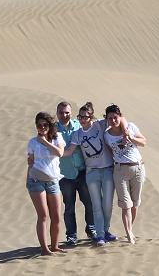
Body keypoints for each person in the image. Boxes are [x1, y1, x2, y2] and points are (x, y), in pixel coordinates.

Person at [62, 102, 118, 246]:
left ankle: (106, 230)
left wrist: (127, 131)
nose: (81, 119)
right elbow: (68, 151)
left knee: (107, 204)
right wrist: (52, 152)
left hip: (107, 170)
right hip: (91, 172)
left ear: (91, 117)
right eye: (79, 117)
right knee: (96, 205)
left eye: (85, 117)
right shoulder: (78, 134)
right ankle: (100, 235)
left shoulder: (100, 125)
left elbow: (117, 119)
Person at [104, 104, 147, 244]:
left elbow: (144, 142)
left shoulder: (131, 127)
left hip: (138, 168)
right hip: (120, 170)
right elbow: (111, 152)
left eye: (115, 117)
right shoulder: (107, 135)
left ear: (119, 116)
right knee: (126, 204)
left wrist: (130, 138)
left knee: (135, 204)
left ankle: (131, 229)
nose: (113, 120)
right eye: (110, 118)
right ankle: (128, 234)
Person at [56, 101, 96, 245]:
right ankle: (71, 236)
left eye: (67, 112)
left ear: (71, 113)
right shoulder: (53, 130)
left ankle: (91, 229)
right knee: (69, 207)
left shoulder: (79, 125)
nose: (64, 115)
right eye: (61, 112)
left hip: (83, 172)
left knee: (89, 203)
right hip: (65, 175)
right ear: (57, 113)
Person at [26, 112, 66, 255]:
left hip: (53, 181)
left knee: (56, 216)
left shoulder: (57, 138)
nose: (42, 128)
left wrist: (44, 142)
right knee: (43, 215)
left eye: (45, 125)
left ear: (50, 126)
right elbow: (30, 162)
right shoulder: (32, 142)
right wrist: (27, 179)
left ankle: (55, 245)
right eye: (39, 125)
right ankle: (45, 249)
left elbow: (60, 153)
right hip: (36, 180)